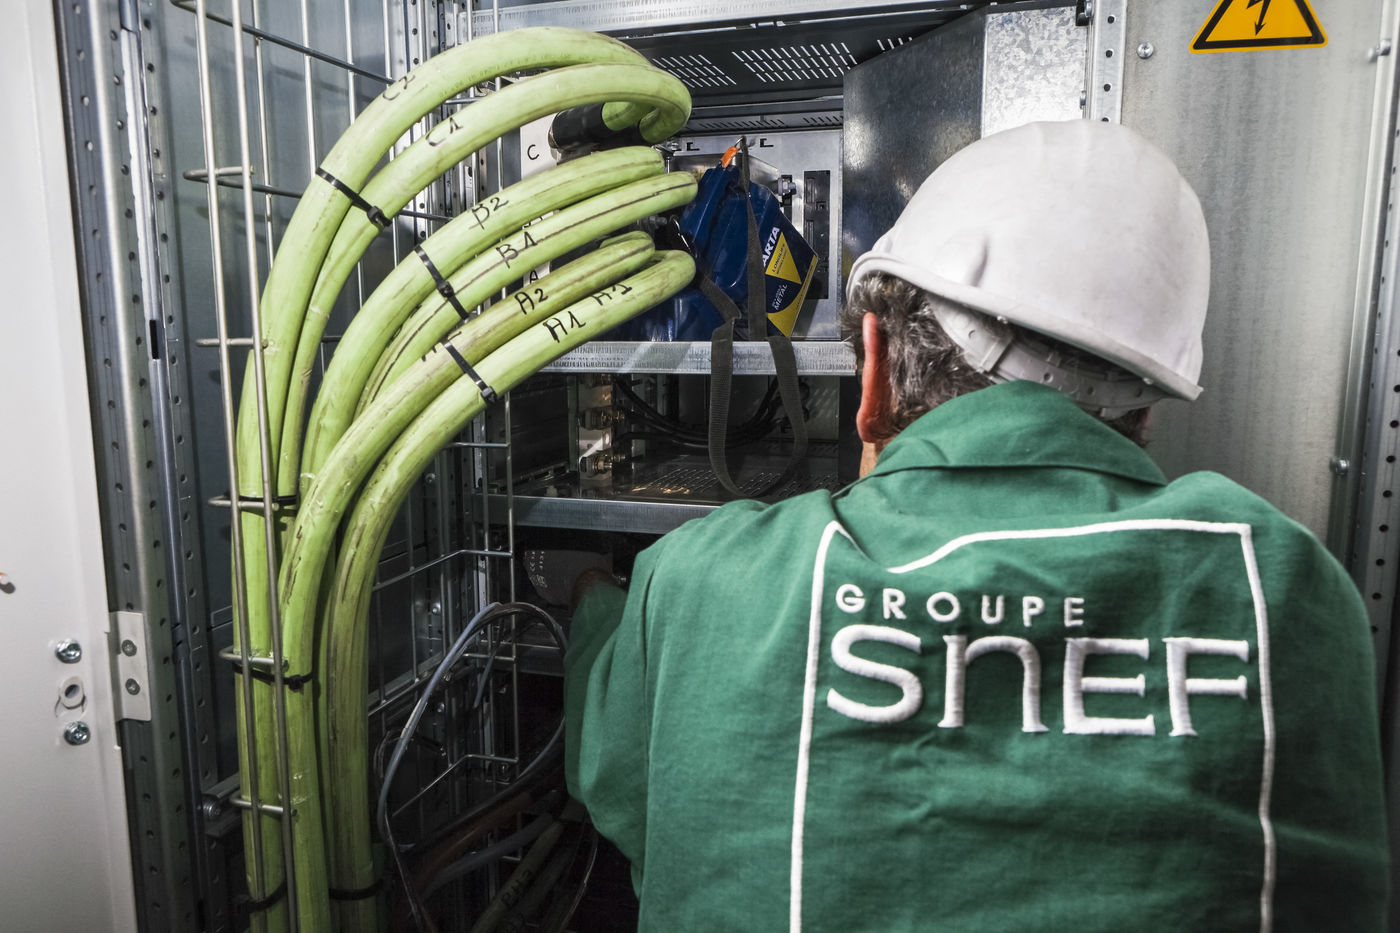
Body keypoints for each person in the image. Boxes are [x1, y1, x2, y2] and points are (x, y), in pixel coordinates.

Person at [561, 119, 1390, 931]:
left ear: (873, 373)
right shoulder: (1287, 589)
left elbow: (622, 789)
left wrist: (597, 598)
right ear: (1145, 406)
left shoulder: (701, 579)